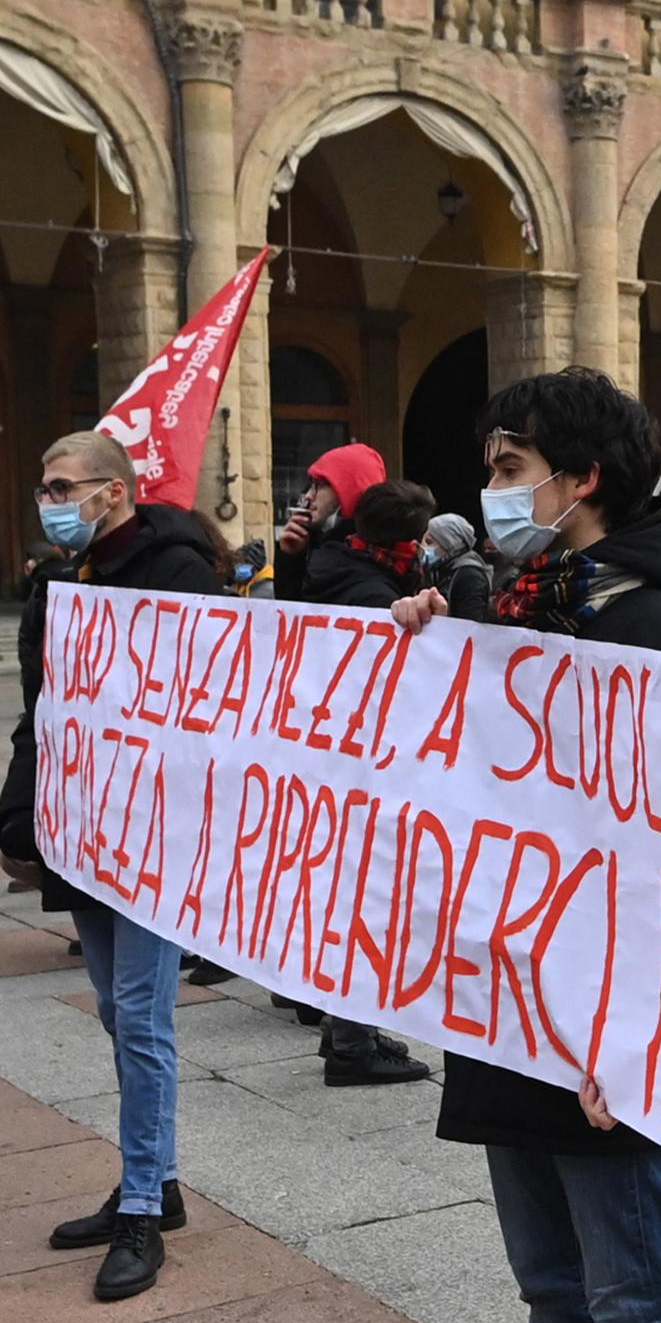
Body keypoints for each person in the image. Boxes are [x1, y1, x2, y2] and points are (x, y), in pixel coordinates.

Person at [391, 366, 661, 1323]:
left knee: (640, 1293)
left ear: (582, 479)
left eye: (516, 461)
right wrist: (433, 638)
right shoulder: (526, 602)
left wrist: (635, 1024)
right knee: (549, 1283)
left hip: (599, 1029)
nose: (497, 485)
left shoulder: (655, 629)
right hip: (513, 1001)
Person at [8, 431, 225, 1300]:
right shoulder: (60, 576)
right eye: (45, 487)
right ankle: (156, 1180)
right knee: (113, 1008)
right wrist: (22, 813)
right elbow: (42, 705)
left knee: (141, 1015)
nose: (52, 501)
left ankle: (141, 1206)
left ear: (114, 490)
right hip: (83, 823)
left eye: (65, 487)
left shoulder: (177, 572)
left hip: (153, 831)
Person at [270, 448, 432, 1088]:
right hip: (362, 764)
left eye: (321, 487)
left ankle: (341, 1025)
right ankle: (353, 1042)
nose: (309, 498)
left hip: (333, 759)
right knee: (364, 894)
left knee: (343, 890)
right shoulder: (367, 582)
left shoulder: (339, 564)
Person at [422, 511, 495, 624]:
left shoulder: (470, 576)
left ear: (448, 542)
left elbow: (469, 626)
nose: (425, 548)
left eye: (430, 542)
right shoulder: (442, 570)